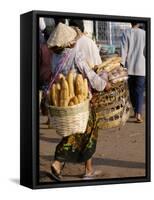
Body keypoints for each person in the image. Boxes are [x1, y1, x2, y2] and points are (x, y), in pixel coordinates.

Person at [47, 23, 110, 181]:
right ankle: (58, 162)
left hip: (66, 101)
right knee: (81, 133)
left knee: (81, 132)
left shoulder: (55, 56)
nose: (75, 40)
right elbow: (90, 76)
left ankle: (87, 169)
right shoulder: (75, 54)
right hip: (80, 101)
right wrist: (104, 82)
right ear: (68, 42)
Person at [120, 22, 145, 123]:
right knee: (139, 91)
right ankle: (138, 114)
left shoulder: (126, 33)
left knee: (132, 91)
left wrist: (121, 65)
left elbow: (123, 51)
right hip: (142, 67)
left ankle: (136, 112)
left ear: (131, 22)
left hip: (129, 67)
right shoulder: (145, 34)